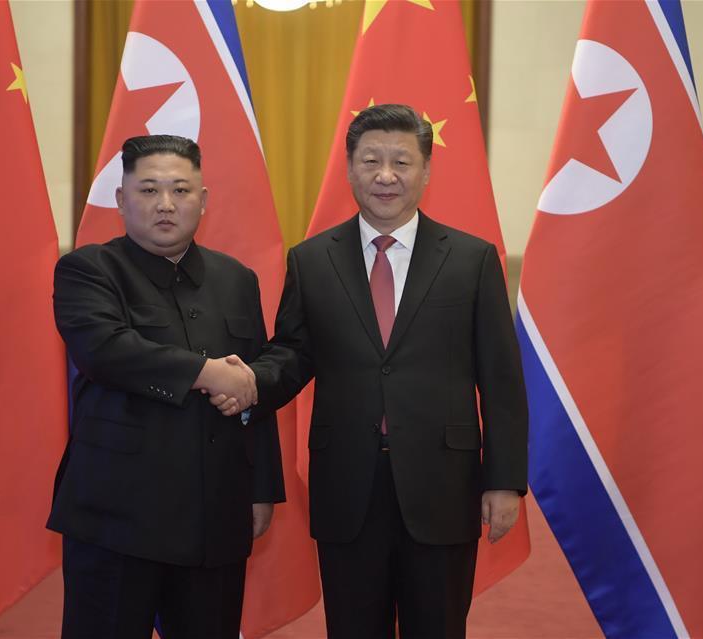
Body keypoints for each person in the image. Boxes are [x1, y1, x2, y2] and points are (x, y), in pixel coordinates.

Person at [215, 104, 528, 638]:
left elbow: (500, 379)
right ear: (350, 168)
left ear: (426, 171)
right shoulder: (312, 260)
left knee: (439, 625)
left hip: (442, 483)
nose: (386, 175)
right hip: (347, 483)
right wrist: (247, 383)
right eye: (371, 161)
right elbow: (293, 354)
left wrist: (504, 482)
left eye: (401, 162)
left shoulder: (472, 260)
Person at [48, 134, 285, 639]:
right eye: (149, 190)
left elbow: (253, 384)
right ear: (121, 199)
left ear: (204, 199)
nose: (165, 205)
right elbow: (105, 351)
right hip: (117, 515)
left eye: (181, 190)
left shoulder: (236, 278)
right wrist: (207, 373)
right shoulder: (89, 270)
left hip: (215, 515)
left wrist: (260, 488)